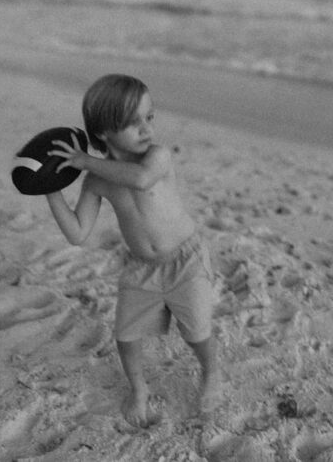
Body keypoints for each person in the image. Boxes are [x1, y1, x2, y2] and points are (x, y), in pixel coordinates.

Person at [45, 73, 221, 427]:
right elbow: (78, 233)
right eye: (132, 122)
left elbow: (140, 180)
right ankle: (139, 389)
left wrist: (85, 161)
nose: (146, 129)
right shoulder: (97, 179)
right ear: (104, 132)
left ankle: (213, 372)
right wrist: (50, 189)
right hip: (142, 267)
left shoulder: (156, 157)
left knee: (197, 331)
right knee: (125, 335)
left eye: (149, 117)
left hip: (185, 260)